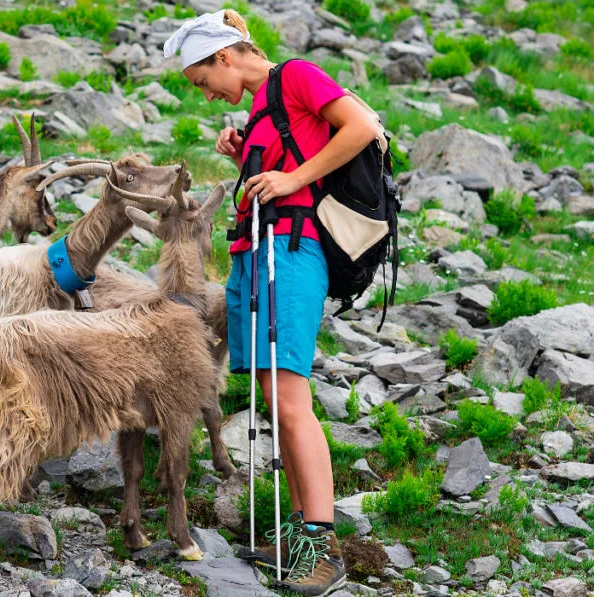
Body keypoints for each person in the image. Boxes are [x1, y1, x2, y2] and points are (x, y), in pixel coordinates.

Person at [164, 9, 379, 597]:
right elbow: (285, 173)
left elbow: (361, 125)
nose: (206, 94)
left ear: (224, 56)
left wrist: (289, 179)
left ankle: (322, 546)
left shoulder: (297, 76)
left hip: (291, 252)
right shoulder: (262, 109)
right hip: (260, 254)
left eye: (203, 80)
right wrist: (248, 162)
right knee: (271, 392)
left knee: (288, 400)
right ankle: (303, 536)